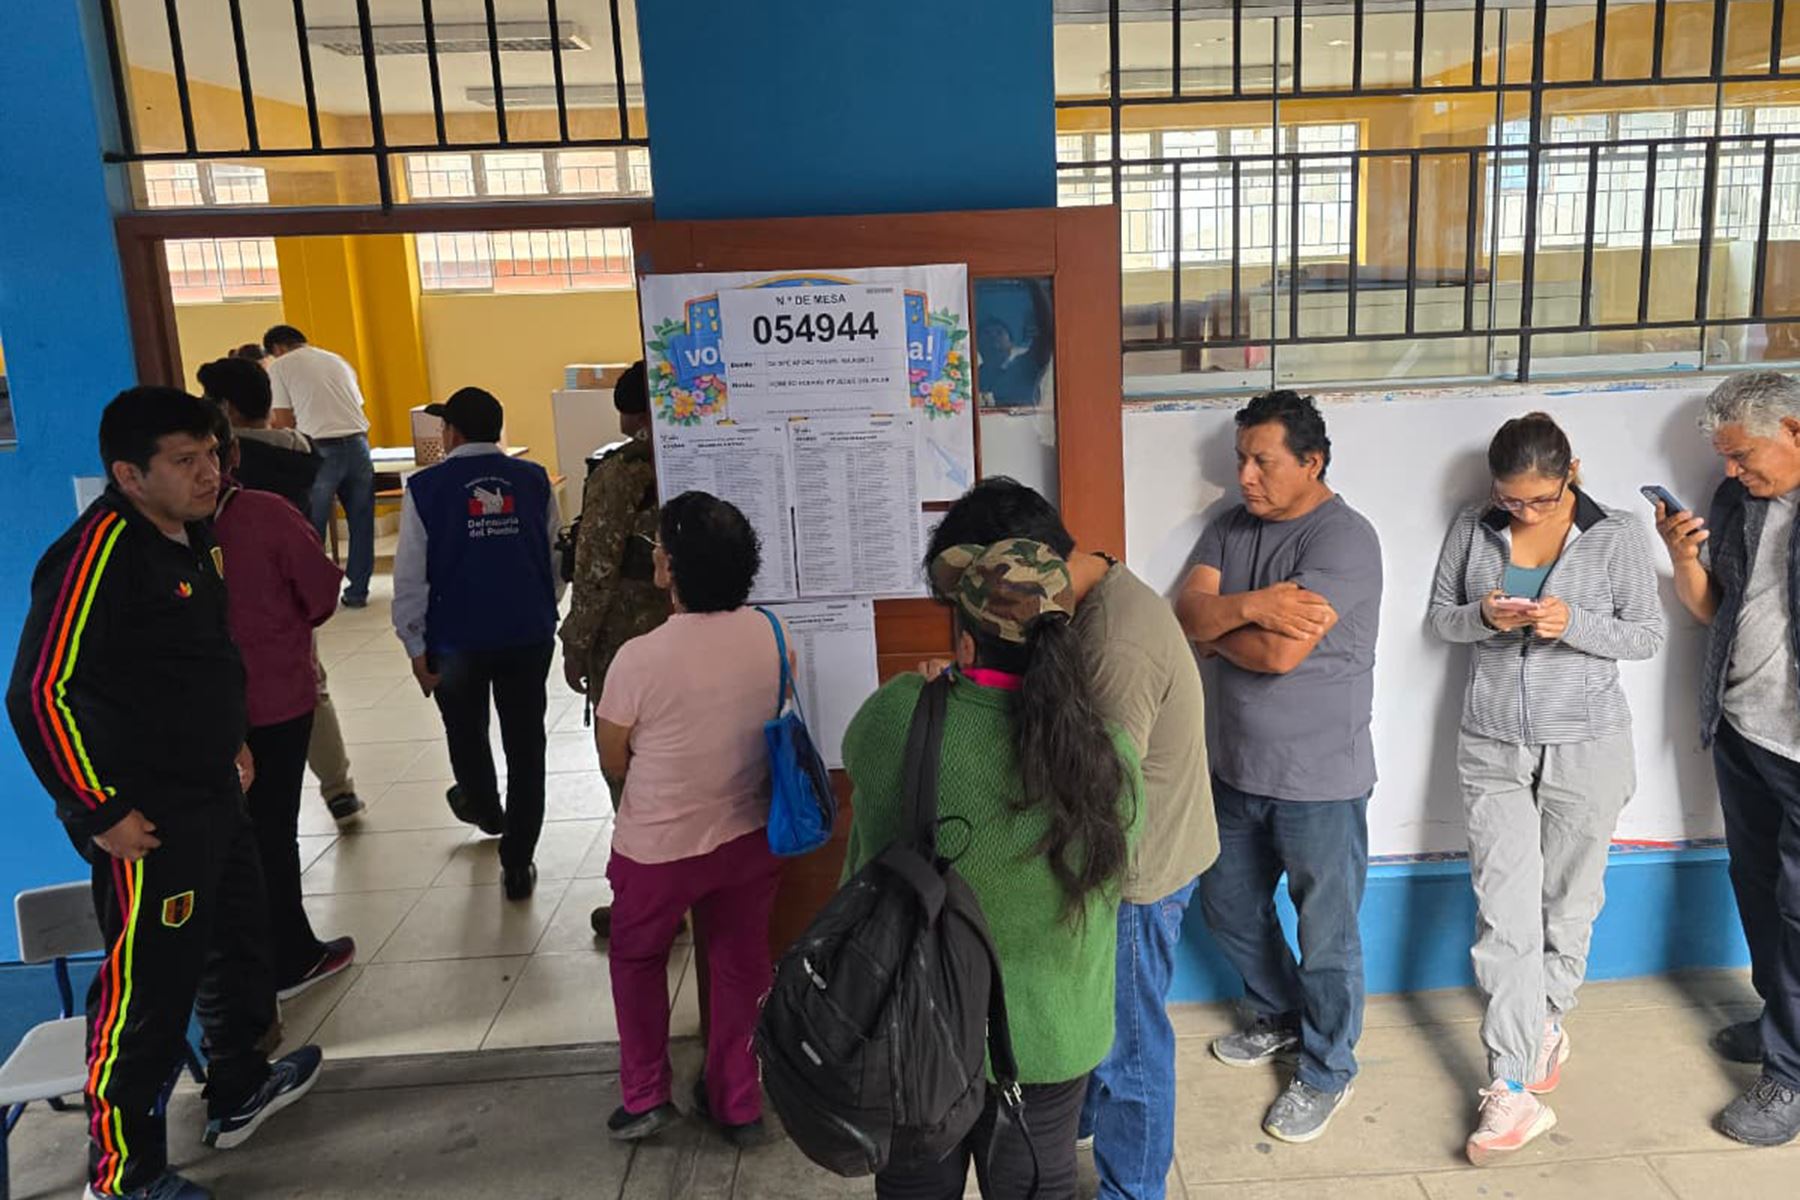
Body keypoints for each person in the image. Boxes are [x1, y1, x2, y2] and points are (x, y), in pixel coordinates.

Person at [5, 387, 322, 1200]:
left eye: (212, 455)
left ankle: (238, 1083)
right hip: (148, 818)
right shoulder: (98, 552)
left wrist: (234, 740)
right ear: (128, 472)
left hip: (214, 790)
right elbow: (40, 692)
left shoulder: (190, 535)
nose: (209, 472)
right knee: (144, 995)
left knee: (240, 943)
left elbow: (201, 657)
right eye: (185, 461)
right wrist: (98, 810)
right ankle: (124, 1173)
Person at [922, 478, 1216, 1200]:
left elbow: (1093, 800)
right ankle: (1067, 1125)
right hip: (1119, 857)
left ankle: (1133, 1190)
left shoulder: (1113, 644)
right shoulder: (1078, 599)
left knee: (1129, 1054)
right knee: (1099, 1050)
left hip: (1136, 875)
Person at [844, 537, 1141, 1200]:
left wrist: (935, 692)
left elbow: (862, 769)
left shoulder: (900, 716)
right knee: (1038, 1185)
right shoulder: (1108, 752)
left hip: (918, 1027)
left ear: (968, 646)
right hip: (1049, 1038)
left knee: (916, 1187)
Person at [1428, 413, 1664, 1163]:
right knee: (1504, 914)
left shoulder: (1619, 532)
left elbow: (1647, 634)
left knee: (1570, 901)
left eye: (1539, 501)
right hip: (1493, 740)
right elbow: (1441, 621)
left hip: (1588, 742)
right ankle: (1510, 1087)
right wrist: (1485, 617)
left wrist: (1576, 622)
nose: (1522, 513)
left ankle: (1548, 1019)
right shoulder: (1474, 525)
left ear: (1572, 475)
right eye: (1512, 501)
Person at [1174, 389, 1382, 1145]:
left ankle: (1327, 1069)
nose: (1246, 478)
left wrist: (1220, 624)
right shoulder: (1230, 528)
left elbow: (1279, 653)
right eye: (1240, 461)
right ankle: (1276, 1014)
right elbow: (1182, 615)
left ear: (1311, 462)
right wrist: (1255, 602)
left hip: (1319, 780)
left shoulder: (1345, 541)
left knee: (1328, 937)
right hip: (1232, 767)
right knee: (1227, 905)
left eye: (1263, 462)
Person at [594, 491, 786, 1147]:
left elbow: (612, 756)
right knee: (741, 968)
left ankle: (646, 1095)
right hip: (748, 835)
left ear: (670, 567)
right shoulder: (769, 633)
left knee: (638, 959)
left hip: (657, 849)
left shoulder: (639, 658)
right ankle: (737, 1101)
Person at [1654, 370, 1800, 1147]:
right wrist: (1683, 559)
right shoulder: (1738, 502)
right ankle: (1783, 1020)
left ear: (1795, 431)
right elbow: (1717, 611)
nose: (1733, 473)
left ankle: (1791, 1074)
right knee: (1757, 887)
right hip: (1745, 729)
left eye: (1745, 457)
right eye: (1727, 460)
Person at [208, 408, 358, 1000]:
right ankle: (288, 958)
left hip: (199, 712)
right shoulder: (263, 514)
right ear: (236, 454)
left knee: (221, 835)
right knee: (271, 829)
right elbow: (320, 594)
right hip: (270, 698)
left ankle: (233, 967)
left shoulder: (151, 532)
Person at [393, 387, 563, 901]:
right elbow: (555, 557)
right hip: (527, 634)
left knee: (465, 732)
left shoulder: (425, 487)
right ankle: (518, 861)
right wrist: (540, 605)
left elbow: (410, 576)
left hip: (457, 638)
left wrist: (414, 644)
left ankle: (487, 810)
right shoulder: (534, 480)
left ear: (453, 433)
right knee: (526, 745)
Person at [199, 355, 364, 827]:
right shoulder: (299, 449)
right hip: (289, 603)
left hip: (244, 615)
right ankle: (339, 790)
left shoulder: (238, 463)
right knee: (314, 688)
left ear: (224, 409)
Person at [557, 361, 671, 938]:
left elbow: (595, 567)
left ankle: (644, 901)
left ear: (629, 413)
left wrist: (575, 643)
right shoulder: (703, 449)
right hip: (699, 639)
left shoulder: (620, 472)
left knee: (628, 775)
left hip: (628, 646)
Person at [263, 324, 375, 608]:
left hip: (319, 448)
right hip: (359, 445)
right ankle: (358, 591)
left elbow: (285, 421)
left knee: (312, 526)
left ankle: (313, 595)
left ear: (277, 349)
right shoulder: (337, 360)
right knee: (361, 522)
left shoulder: (280, 367)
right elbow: (355, 403)